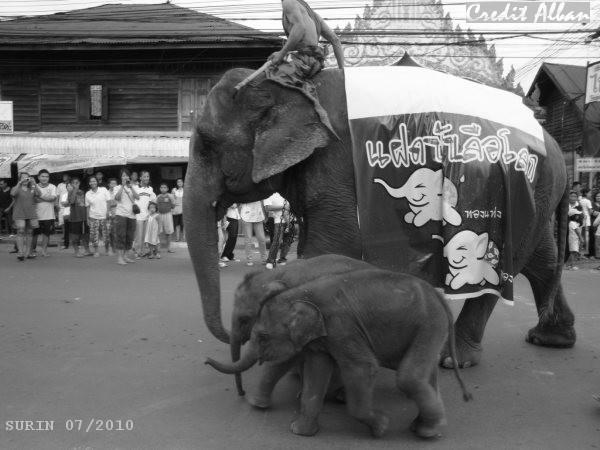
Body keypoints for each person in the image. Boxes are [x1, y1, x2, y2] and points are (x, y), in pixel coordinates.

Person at [10, 172, 41, 261]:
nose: (25, 179)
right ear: (20, 179)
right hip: (19, 213)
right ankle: (20, 252)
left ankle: (28, 253)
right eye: (23, 178)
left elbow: (39, 194)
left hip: (30, 213)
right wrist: (19, 183)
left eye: (27, 178)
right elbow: (12, 193)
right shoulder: (17, 188)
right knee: (21, 230)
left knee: (30, 232)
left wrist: (34, 183)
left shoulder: (32, 188)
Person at [114, 169, 139, 265]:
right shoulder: (117, 187)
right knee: (121, 236)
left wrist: (131, 187)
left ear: (130, 177)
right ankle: (120, 258)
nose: (125, 177)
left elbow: (137, 197)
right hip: (121, 214)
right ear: (121, 177)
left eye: (127, 175)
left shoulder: (133, 187)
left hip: (131, 215)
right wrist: (123, 186)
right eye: (123, 176)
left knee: (129, 236)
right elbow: (117, 198)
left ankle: (126, 256)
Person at [31, 169, 57, 257]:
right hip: (36, 215)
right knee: (34, 234)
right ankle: (32, 250)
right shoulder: (34, 186)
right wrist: (46, 198)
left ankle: (44, 251)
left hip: (49, 215)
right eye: (42, 176)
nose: (45, 178)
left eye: (47, 176)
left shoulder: (52, 187)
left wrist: (40, 197)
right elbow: (33, 199)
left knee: (46, 234)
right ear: (38, 177)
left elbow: (52, 198)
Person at [85, 176, 110, 257]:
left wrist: (108, 212)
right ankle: (96, 251)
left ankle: (107, 250)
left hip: (104, 216)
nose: (93, 183)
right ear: (89, 183)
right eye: (91, 181)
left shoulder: (103, 190)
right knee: (93, 236)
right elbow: (88, 207)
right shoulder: (88, 193)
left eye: (94, 181)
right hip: (93, 216)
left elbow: (108, 201)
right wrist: (87, 218)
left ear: (97, 182)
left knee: (106, 235)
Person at [132, 170, 156, 258]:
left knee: (145, 235)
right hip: (138, 215)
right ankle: (137, 251)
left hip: (147, 215)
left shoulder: (150, 189)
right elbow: (131, 199)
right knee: (139, 234)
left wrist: (151, 211)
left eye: (148, 176)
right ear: (140, 178)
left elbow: (153, 201)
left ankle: (142, 250)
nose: (146, 178)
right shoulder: (135, 187)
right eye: (144, 176)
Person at [264, 192, 290, 268]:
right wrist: (283, 207)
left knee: (288, 240)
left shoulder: (285, 191)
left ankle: (282, 258)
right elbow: (267, 208)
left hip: (290, 219)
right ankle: (270, 260)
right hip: (279, 221)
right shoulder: (268, 194)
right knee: (277, 241)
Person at [68, 177, 92, 258]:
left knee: (86, 234)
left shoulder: (82, 192)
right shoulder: (70, 192)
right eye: (74, 182)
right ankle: (76, 251)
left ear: (79, 183)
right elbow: (71, 201)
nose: (75, 184)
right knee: (75, 235)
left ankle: (87, 250)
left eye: (77, 182)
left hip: (84, 216)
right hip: (75, 217)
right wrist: (75, 189)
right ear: (71, 184)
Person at [239, 200, 267, 266]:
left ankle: (264, 259)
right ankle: (249, 259)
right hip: (246, 213)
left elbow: (262, 202)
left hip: (258, 214)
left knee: (262, 239)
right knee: (248, 239)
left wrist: (265, 214)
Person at [156, 182, 175, 253]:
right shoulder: (158, 197)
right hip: (160, 215)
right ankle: (158, 247)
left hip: (168, 214)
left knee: (169, 231)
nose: (163, 189)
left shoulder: (170, 196)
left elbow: (173, 206)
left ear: (167, 189)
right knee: (159, 231)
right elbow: (155, 207)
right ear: (160, 189)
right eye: (161, 187)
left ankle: (169, 247)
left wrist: (172, 200)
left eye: (164, 187)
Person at [566, 191, 583, 270]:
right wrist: (581, 238)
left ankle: (569, 265)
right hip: (574, 239)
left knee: (572, 252)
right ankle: (572, 266)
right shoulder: (573, 223)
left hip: (573, 239)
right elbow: (577, 231)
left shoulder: (572, 222)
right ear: (575, 216)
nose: (579, 216)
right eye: (578, 215)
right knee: (574, 252)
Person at [56, 173, 71, 249]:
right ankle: (64, 235)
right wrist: (56, 204)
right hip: (61, 206)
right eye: (63, 176)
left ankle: (68, 237)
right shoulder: (59, 185)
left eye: (66, 176)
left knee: (69, 223)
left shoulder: (71, 185)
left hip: (70, 208)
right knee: (62, 222)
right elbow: (57, 195)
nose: (64, 177)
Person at [105, 178, 118, 256]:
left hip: (117, 215)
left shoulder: (118, 192)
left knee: (115, 233)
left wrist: (111, 203)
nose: (113, 185)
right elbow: (106, 203)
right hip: (108, 215)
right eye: (112, 183)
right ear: (109, 184)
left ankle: (114, 248)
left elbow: (115, 203)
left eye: (115, 184)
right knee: (107, 233)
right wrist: (112, 203)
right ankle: (107, 249)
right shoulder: (106, 192)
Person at [579, 188, 592, 256]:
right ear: (586, 193)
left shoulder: (579, 200)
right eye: (589, 193)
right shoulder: (588, 201)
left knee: (580, 236)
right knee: (586, 236)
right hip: (587, 220)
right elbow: (590, 211)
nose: (590, 194)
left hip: (581, 219)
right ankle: (585, 252)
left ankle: (579, 252)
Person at [590, 190, 600, 259]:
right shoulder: (592, 203)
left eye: (599, 196)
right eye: (597, 196)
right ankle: (592, 254)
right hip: (593, 223)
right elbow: (591, 212)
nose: (598, 197)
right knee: (593, 239)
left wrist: (596, 213)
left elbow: (594, 212)